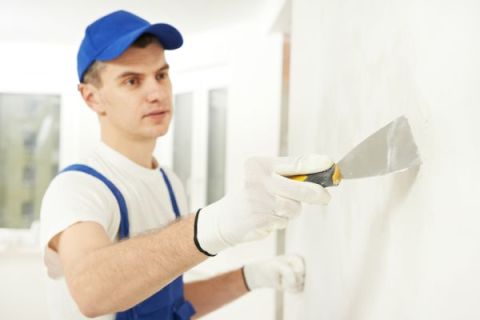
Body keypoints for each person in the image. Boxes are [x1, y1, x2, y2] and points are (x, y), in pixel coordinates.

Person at [40, 10, 334, 320]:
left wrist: (251, 277)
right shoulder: (77, 188)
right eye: (132, 81)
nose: (156, 92)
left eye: (161, 75)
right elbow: (92, 291)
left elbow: (167, 306)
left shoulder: (169, 182)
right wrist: (218, 223)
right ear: (92, 98)